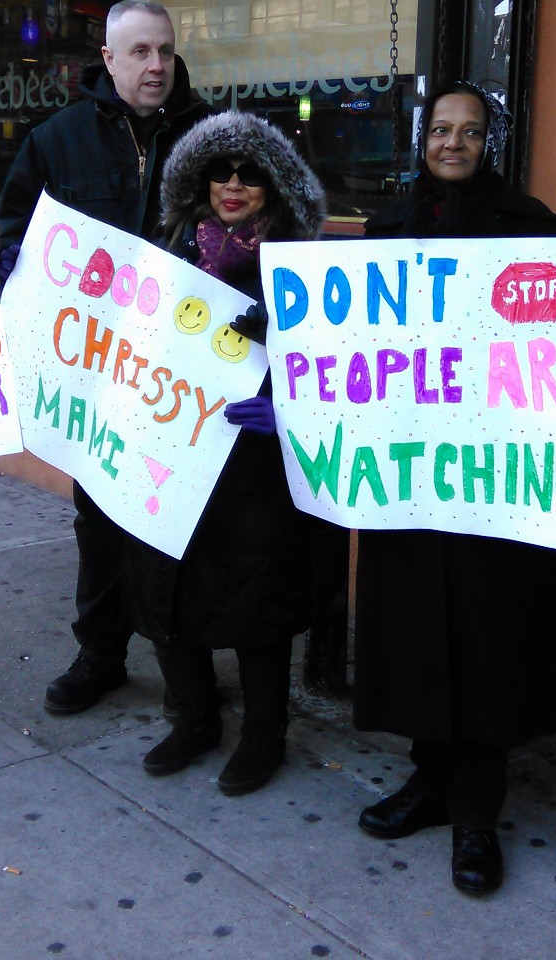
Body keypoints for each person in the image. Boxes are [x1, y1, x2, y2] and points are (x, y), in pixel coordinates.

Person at [350, 80, 556, 896]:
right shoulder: (384, 227)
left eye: (469, 131)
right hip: (411, 472)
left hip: (495, 481)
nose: (452, 143)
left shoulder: (535, 232)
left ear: (487, 142)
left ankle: (476, 810)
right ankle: (429, 779)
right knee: (419, 633)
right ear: (423, 139)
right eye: (441, 129)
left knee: (489, 640)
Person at [0, 0, 212, 717]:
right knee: (101, 519)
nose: (155, 66)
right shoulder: (58, 139)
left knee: (181, 517)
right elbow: (19, 227)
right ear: (108, 61)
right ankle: (101, 655)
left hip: (181, 369)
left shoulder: (212, 139)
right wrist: (11, 264)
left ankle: (189, 671)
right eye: (140, 52)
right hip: (92, 367)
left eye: (165, 51)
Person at [121, 110, 330, 795]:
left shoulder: (305, 269)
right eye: (220, 171)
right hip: (174, 451)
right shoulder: (170, 254)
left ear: (275, 186)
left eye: (250, 173)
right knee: (166, 587)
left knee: (257, 600)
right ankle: (195, 717)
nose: (233, 184)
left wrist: (289, 399)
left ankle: (264, 734)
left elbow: (343, 372)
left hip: (257, 469)